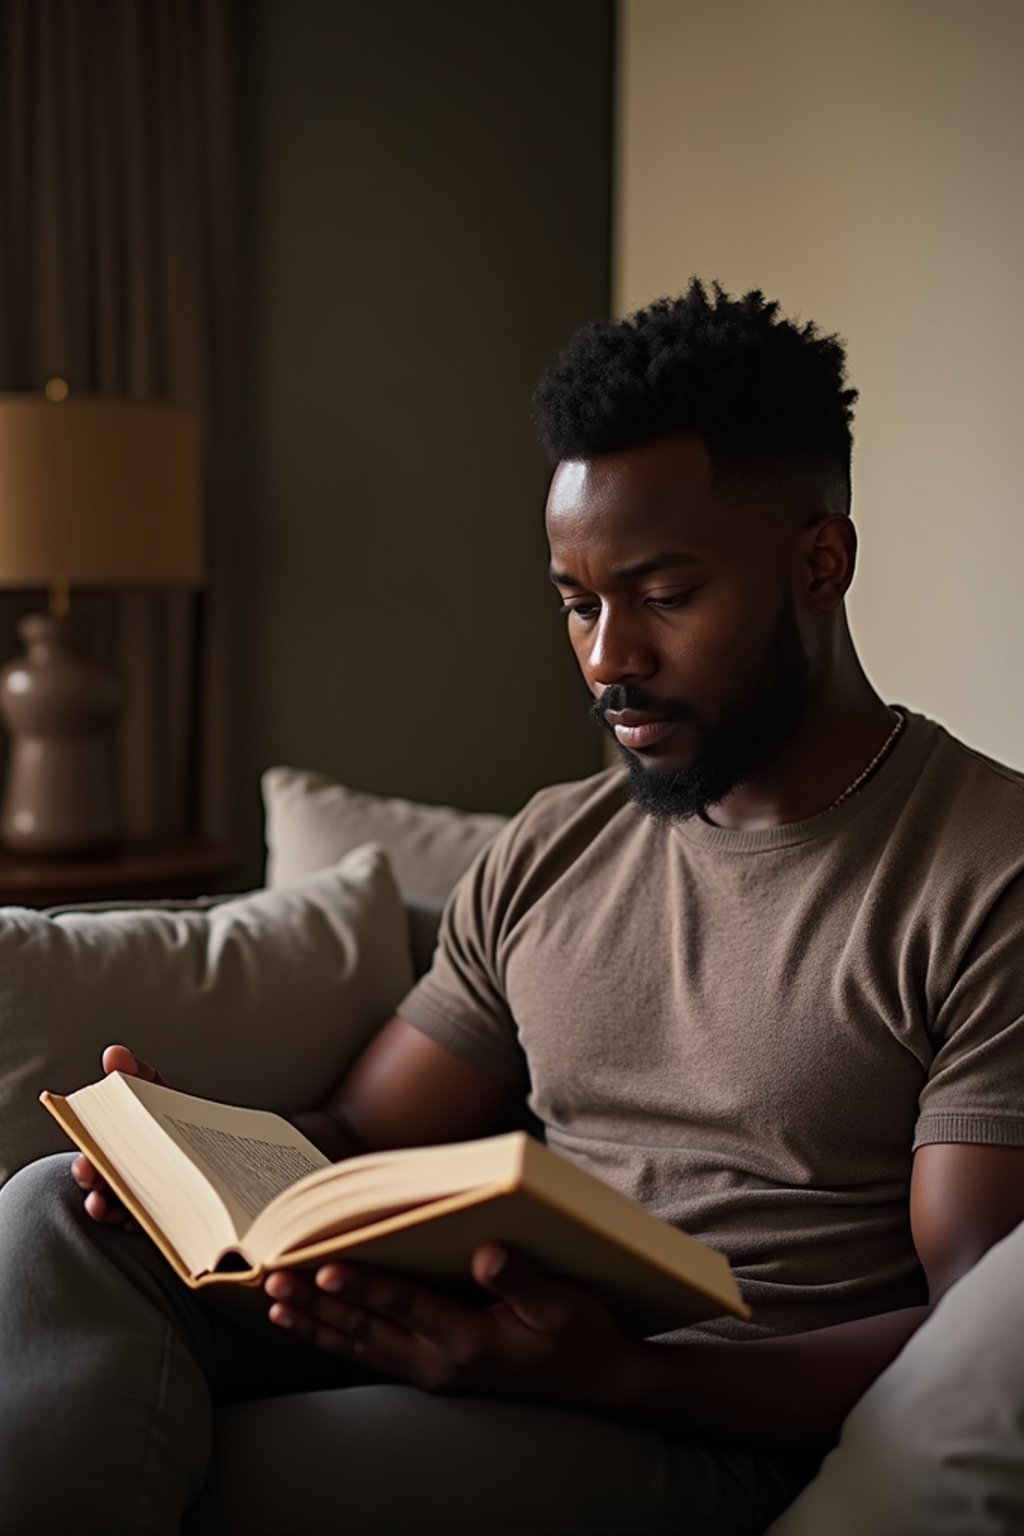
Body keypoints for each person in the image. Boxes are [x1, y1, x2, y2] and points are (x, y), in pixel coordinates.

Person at [3, 280, 1024, 1536]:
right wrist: (192, 1161)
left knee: (274, 1477)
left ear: (821, 562)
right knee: (53, 1206)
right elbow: (366, 1130)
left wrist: (624, 1372)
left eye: (661, 594)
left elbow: (982, 1321)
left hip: (702, 1418)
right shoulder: (557, 842)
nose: (607, 658)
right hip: (486, 1335)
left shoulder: (987, 873)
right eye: (578, 601)